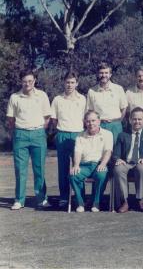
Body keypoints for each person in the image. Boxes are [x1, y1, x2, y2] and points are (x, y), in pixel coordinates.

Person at [6, 70, 52, 210]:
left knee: (39, 169)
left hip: (38, 134)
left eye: (30, 81)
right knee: (20, 169)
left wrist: (37, 129)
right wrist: (21, 130)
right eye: (25, 81)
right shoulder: (15, 97)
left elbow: (47, 118)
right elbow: (10, 119)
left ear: (35, 81)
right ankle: (19, 200)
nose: (27, 84)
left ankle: (41, 199)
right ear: (21, 81)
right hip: (20, 135)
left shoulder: (42, 95)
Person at [50, 72, 86, 208]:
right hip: (63, 134)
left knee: (79, 167)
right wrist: (61, 131)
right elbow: (54, 119)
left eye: (72, 82)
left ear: (77, 83)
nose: (70, 85)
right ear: (63, 83)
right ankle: (64, 197)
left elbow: (85, 118)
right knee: (63, 168)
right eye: (67, 82)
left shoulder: (82, 99)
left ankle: (80, 197)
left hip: (78, 134)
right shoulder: (57, 99)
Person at [113, 107, 143, 213]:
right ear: (130, 120)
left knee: (142, 168)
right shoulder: (122, 135)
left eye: (139, 119)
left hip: (140, 162)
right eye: (134, 119)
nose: (137, 121)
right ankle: (125, 201)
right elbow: (116, 153)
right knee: (118, 169)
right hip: (126, 162)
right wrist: (118, 159)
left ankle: (141, 200)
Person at [69, 111, 113, 212]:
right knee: (73, 175)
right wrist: (76, 165)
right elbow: (78, 152)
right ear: (85, 122)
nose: (91, 123)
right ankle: (81, 203)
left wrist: (103, 164)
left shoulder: (107, 134)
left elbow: (108, 151)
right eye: (88, 121)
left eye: (93, 120)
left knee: (102, 175)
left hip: (99, 164)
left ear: (99, 121)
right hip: (84, 165)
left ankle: (96, 203)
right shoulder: (80, 136)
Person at [86, 62, 128, 144]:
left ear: (110, 74)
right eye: (101, 73)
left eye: (106, 73)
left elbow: (124, 108)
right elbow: (90, 111)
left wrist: (118, 120)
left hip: (115, 125)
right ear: (98, 74)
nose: (104, 75)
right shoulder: (92, 91)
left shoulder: (118, 89)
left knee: (116, 151)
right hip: (99, 125)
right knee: (99, 152)